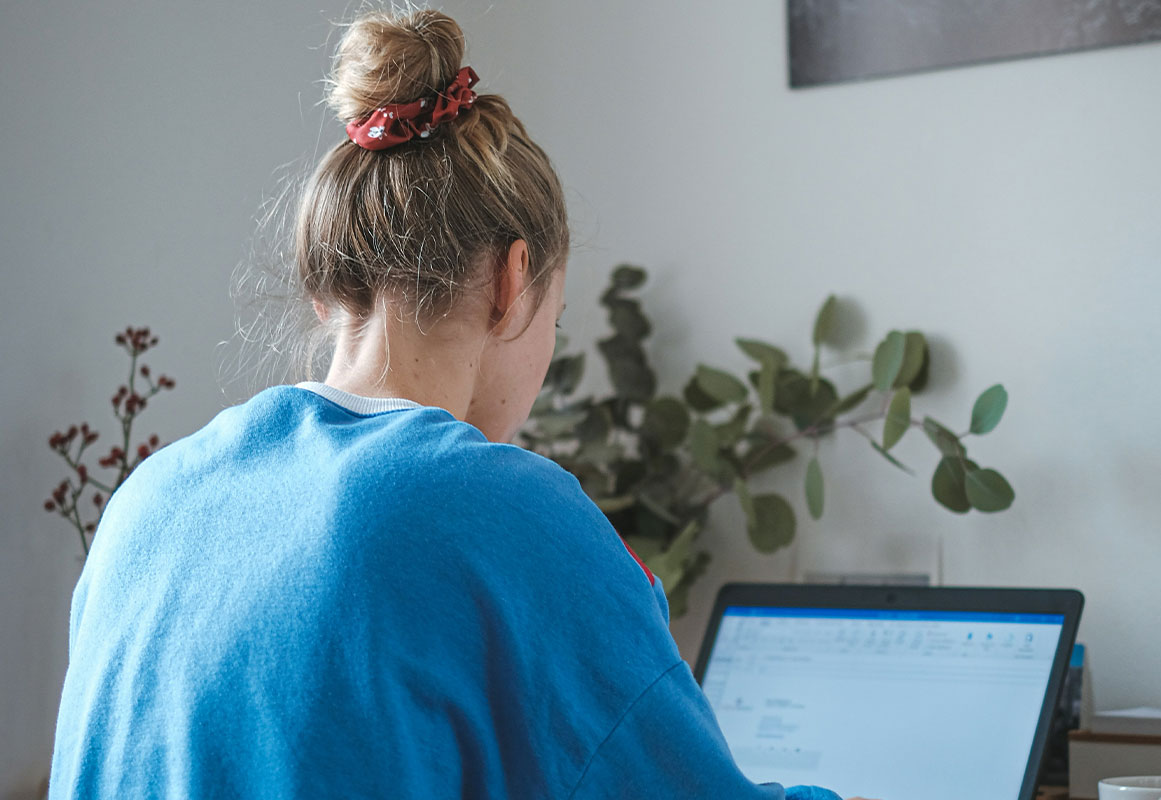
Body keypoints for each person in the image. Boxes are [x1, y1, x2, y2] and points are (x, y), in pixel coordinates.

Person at [50, 8, 872, 800]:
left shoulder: (147, 503)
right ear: (512, 285)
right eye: (558, 315)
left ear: (328, 290)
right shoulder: (494, 510)